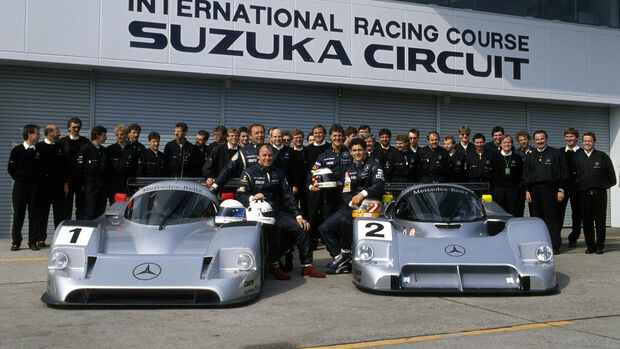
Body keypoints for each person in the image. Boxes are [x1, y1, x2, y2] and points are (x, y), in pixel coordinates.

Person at [236, 144, 324, 279]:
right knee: (275, 228)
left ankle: (307, 267)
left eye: (270, 155)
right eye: (264, 155)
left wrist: (299, 215)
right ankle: (274, 265)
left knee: (303, 227)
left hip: (276, 211)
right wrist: (252, 197)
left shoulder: (279, 172)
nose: (267, 158)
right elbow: (239, 195)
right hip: (257, 215)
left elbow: (288, 196)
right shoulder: (248, 172)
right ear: (258, 156)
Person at [319, 138, 384, 274]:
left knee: (345, 221)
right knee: (324, 228)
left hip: (369, 207)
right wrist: (351, 202)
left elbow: (379, 185)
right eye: (354, 150)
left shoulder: (374, 165)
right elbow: (346, 190)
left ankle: (345, 253)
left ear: (365, 150)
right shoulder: (349, 168)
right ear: (350, 152)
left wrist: (362, 195)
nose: (357, 153)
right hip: (351, 206)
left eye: (360, 150)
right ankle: (341, 257)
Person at [307, 124, 353, 259]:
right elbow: (312, 172)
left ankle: (345, 253)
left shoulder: (349, 153)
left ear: (343, 137)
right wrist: (311, 186)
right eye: (335, 136)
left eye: (340, 135)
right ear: (330, 137)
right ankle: (336, 256)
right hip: (328, 198)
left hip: (346, 197)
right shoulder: (323, 156)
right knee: (327, 227)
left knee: (344, 226)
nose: (337, 138)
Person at [523, 130, 568, 253]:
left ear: (546, 138)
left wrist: (561, 189)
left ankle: (555, 246)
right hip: (534, 191)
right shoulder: (530, 156)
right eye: (537, 139)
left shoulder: (556, 153)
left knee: (552, 218)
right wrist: (527, 190)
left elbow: (563, 172)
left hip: (551, 190)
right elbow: (526, 175)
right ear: (534, 141)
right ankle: (539, 245)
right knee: (537, 220)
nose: (540, 141)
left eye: (542, 139)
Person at [573, 132, 616, 254]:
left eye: (589, 141)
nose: (587, 143)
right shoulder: (578, 157)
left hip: (599, 194)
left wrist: (602, 186)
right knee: (586, 221)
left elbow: (612, 178)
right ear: (582, 142)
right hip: (584, 195)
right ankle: (590, 246)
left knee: (600, 221)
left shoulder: (602, 157)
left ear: (594, 142)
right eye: (585, 141)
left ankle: (600, 246)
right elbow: (574, 176)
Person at [8, 124, 42, 251]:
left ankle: (32, 242)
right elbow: (10, 169)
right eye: (37, 133)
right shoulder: (17, 150)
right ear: (29, 134)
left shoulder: (38, 151)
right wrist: (21, 178)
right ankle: (16, 242)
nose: (39, 135)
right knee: (18, 215)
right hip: (20, 188)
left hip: (35, 188)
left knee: (34, 216)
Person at [208, 123, 266, 190]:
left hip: (267, 190)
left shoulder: (273, 151)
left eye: (262, 132)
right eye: (257, 133)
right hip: (249, 190)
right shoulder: (243, 151)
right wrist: (215, 185)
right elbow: (228, 169)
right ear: (250, 136)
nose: (260, 135)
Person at [36, 124, 68, 247]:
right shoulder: (39, 147)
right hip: (44, 186)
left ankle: (59, 239)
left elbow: (65, 167)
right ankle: (41, 239)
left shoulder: (60, 147)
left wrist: (65, 183)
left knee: (60, 214)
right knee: (42, 213)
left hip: (58, 186)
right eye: (56, 131)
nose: (59, 133)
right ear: (49, 133)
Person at [59, 117, 90, 220]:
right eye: (74, 127)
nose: (76, 130)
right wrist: (64, 181)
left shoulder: (86, 142)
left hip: (81, 181)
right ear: (69, 128)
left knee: (81, 207)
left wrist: (85, 181)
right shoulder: (61, 142)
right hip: (66, 181)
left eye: (78, 127)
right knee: (66, 207)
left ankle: (80, 227)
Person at [78, 126, 109, 220]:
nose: (106, 137)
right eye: (104, 135)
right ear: (97, 135)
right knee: (90, 212)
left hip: (102, 188)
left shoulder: (104, 151)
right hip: (90, 187)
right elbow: (79, 169)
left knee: (100, 212)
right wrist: (82, 184)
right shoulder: (85, 149)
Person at [560, 128, 583, 247]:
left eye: (571, 137)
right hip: (563, 188)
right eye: (567, 136)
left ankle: (573, 238)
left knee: (577, 214)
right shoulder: (559, 152)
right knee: (559, 213)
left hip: (577, 188)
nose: (569, 139)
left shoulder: (582, 153)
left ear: (577, 138)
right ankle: (556, 237)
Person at [490, 135, 523, 216]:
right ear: (500, 144)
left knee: (513, 213)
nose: (507, 144)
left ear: (512, 144)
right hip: (498, 190)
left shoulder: (517, 158)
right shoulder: (494, 157)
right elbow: (490, 174)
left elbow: (521, 174)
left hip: (513, 191)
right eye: (504, 142)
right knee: (499, 213)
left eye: (509, 142)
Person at [106, 124, 136, 203]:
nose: (119, 136)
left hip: (127, 185)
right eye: (117, 134)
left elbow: (136, 168)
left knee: (126, 208)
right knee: (114, 207)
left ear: (126, 135)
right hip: (114, 185)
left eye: (121, 134)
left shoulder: (133, 150)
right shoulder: (110, 149)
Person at [514, 130, 533, 217]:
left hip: (531, 183)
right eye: (520, 140)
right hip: (520, 184)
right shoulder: (516, 153)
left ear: (528, 139)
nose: (523, 141)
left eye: (524, 139)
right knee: (519, 208)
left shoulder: (535, 152)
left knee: (533, 207)